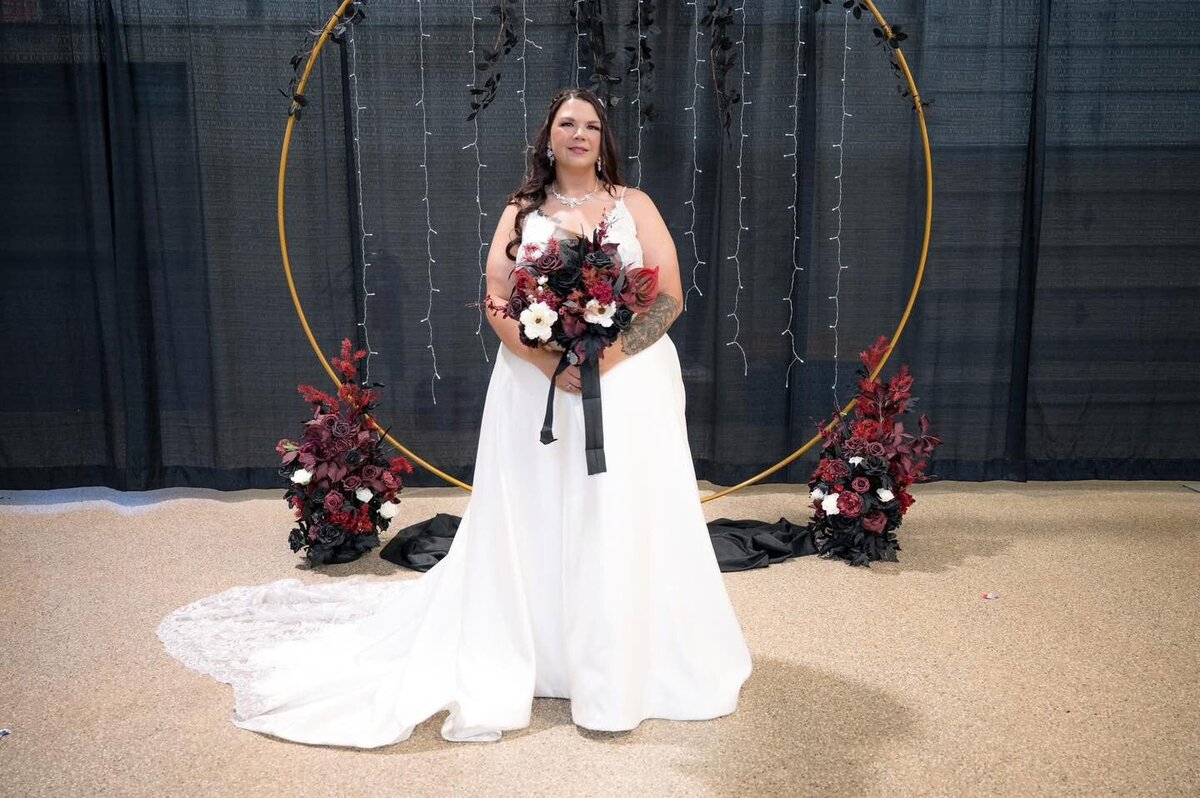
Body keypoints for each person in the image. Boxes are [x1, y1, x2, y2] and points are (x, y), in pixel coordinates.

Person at [157, 88, 752, 748]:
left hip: (629, 382)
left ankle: (622, 654)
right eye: (566, 123)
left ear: (604, 139)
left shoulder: (634, 205)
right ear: (548, 137)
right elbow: (498, 298)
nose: (579, 133)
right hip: (535, 384)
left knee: (620, 509)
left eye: (591, 124)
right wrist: (541, 353)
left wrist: (605, 358)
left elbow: (666, 299)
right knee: (537, 508)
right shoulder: (520, 212)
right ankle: (540, 644)